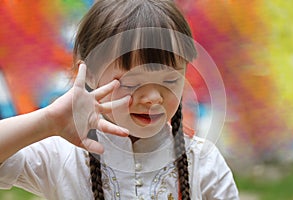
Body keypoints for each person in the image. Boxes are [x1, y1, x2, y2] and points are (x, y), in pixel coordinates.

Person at [0, 0, 239, 199]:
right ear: (90, 75)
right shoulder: (63, 153)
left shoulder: (203, 161)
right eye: (132, 84)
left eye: (169, 81)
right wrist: (48, 120)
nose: (153, 98)